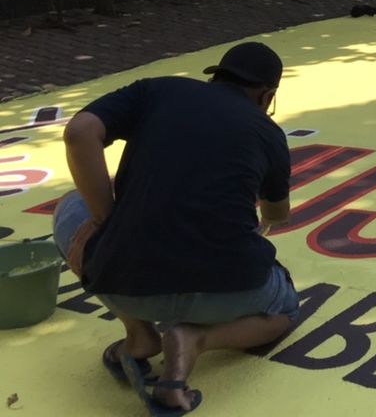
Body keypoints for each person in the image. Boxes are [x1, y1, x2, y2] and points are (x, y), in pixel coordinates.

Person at [54, 42, 297, 416]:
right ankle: (195, 338)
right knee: (284, 306)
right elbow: (278, 215)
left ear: (215, 75)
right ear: (267, 96)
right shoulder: (268, 133)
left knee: (71, 205)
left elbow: (79, 132)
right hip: (230, 293)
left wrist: (105, 221)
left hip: (123, 282)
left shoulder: (157, 90)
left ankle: (138, 332)